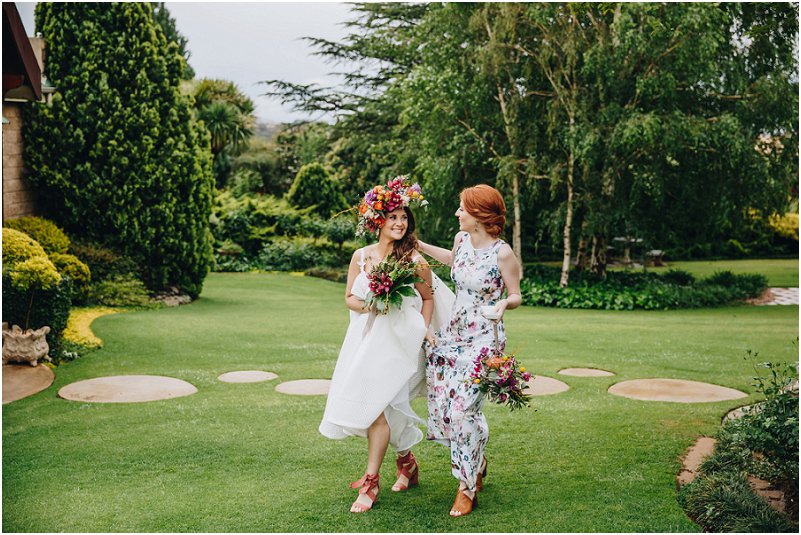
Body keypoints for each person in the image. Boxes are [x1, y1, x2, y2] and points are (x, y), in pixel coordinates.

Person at [319, 178, 453, 513]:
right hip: (365, 340)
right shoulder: (360, 257)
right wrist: (372, 305)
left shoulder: (413, 260)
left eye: (404, 217)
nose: (399, 222)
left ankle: (370, 482)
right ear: (378, 221)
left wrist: (422, 329)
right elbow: (350, 297)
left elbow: (428, 299)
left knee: (380, 405)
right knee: (380, 407)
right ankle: (406, 462)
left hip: (400, 344)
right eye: (393, 216)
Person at [416, 184, 522, 517]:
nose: (457, 213)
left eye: (462, 208)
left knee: (464, 411)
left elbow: (517, 293)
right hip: (454, 336)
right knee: (450, 408)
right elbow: (453, 261)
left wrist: (505, 302)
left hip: (485, 341)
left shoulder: (502, 252)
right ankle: (476, 458)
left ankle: (467, 486)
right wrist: (416, 245)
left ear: (478, 216)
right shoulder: (461, 240)